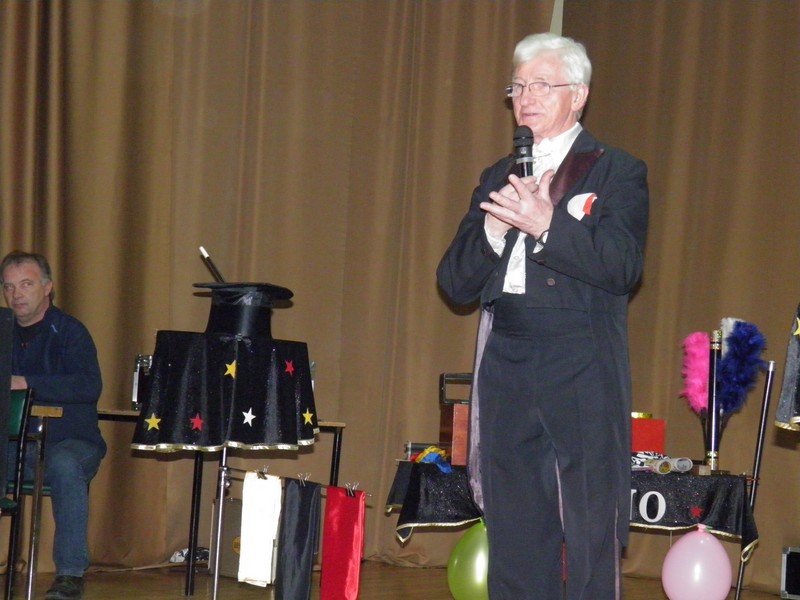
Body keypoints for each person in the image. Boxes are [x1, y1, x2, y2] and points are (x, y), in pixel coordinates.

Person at [437, 33, 649, 599]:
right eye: (518, 87)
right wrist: (492, 228)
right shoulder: (497, 175)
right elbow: (454, 283)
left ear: (578, 95)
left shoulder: (617, 171)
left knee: (589, 520)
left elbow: (623, 266)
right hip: (506, 356)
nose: (526, 97)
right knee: (514, 521)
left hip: (579, 359)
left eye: (541, 85)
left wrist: (548, 224)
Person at [2, 251, 105, 600]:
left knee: (64, 464)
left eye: (26, 284)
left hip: (70, 442)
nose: (16, 294)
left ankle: (70, 574)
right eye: (9, 287)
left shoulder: (71, 332)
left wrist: (27, 382)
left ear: (47, 288)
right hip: (16, 445)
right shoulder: (3, 331)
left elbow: (89, 386)